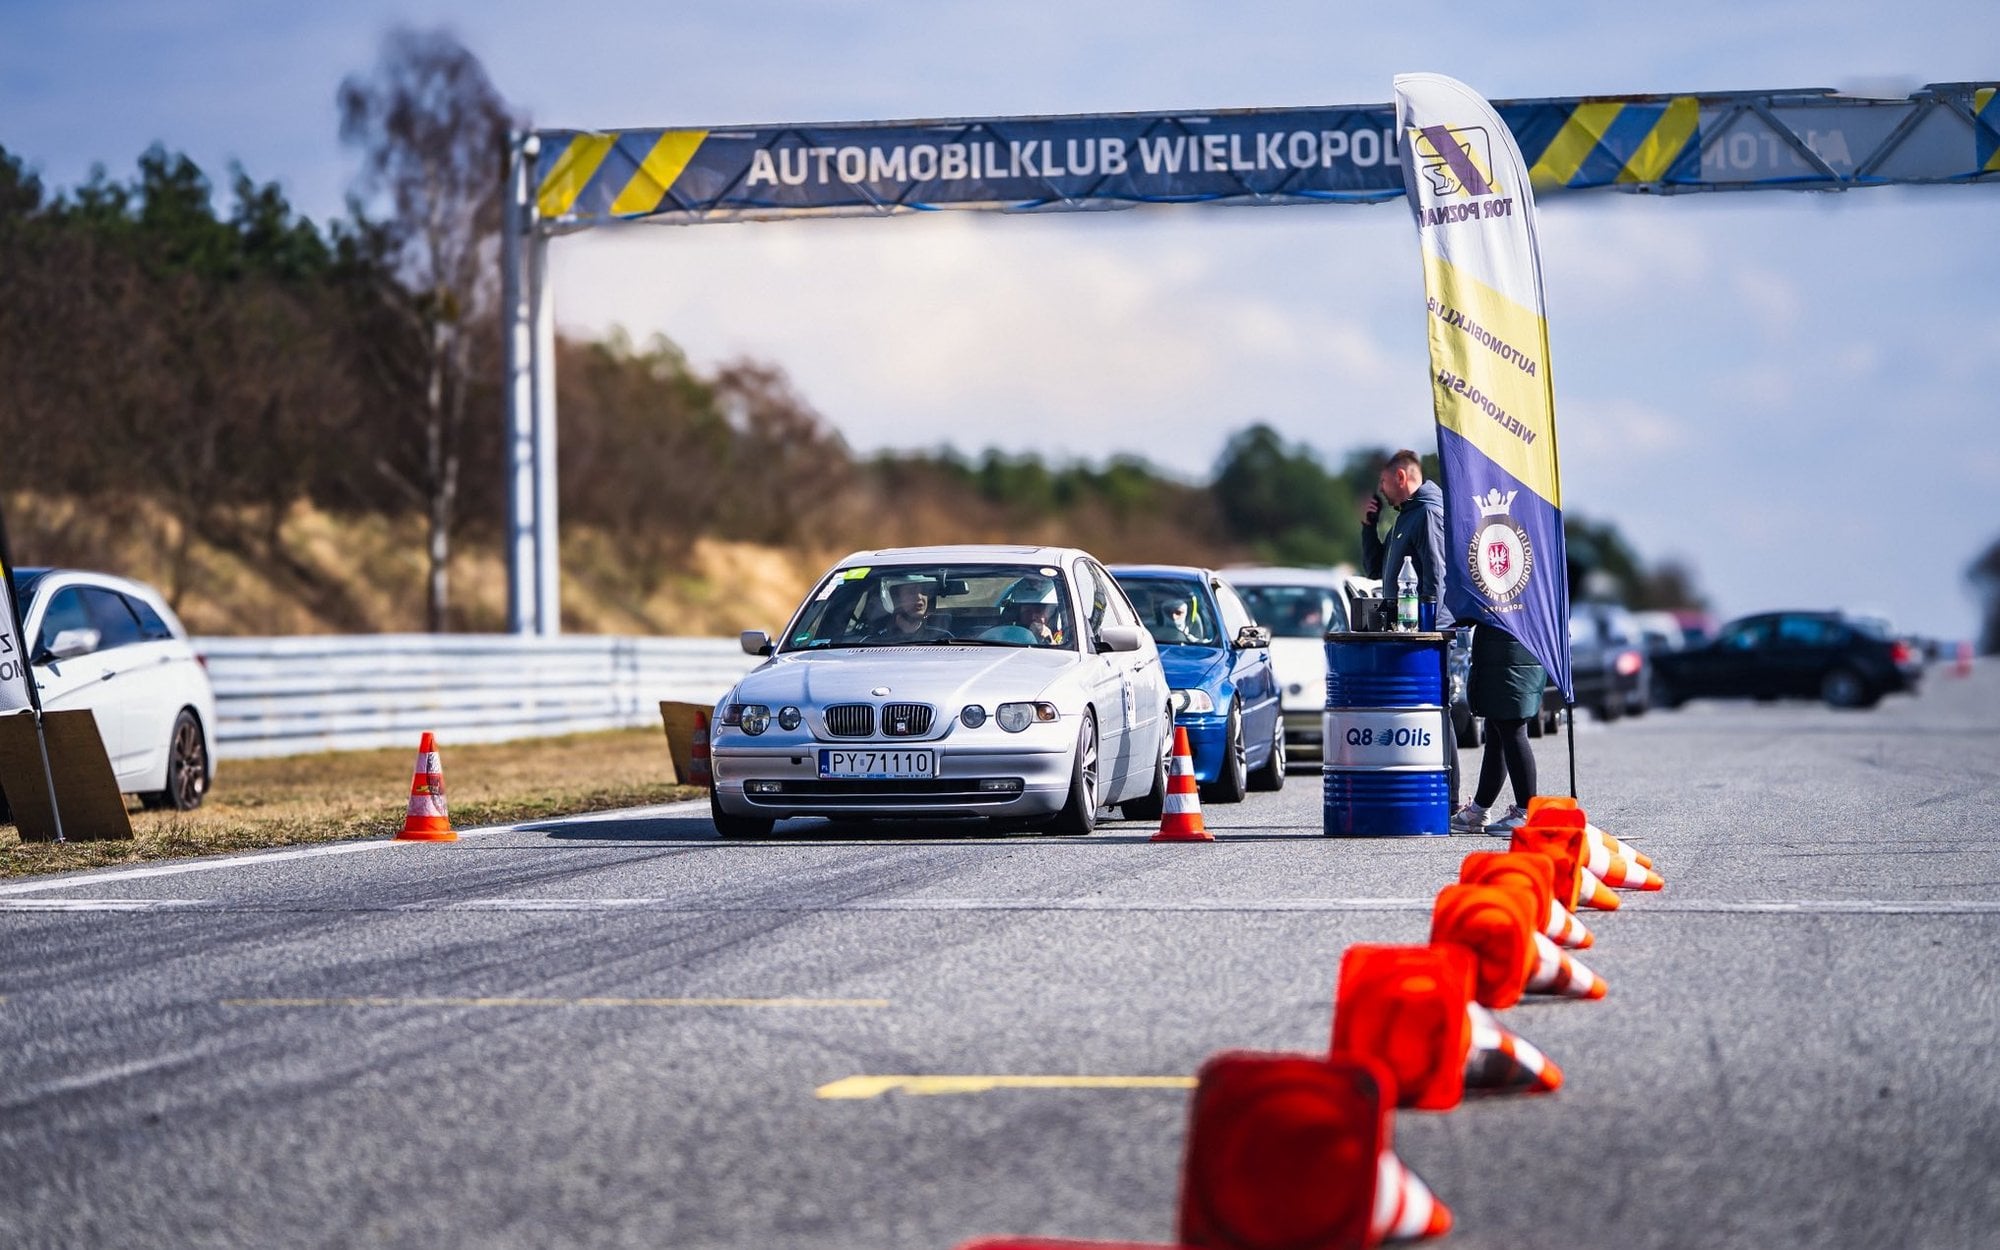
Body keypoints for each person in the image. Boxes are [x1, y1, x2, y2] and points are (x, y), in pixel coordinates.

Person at [1450, 621, 1545, 833]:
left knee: (1511, 728)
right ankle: (1479, 809)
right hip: (1514, 649)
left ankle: (1527, 811)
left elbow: (1472, 607)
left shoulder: (1502, 588)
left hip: (1508, 653)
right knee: (1497, 731)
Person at [1360, 448, 1451, 630]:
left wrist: (1425, 631)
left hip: (1427, 637)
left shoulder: (1428, 514)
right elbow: (1375, 570)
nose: (1380, 489)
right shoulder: (1406, 518)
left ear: (1401, 477)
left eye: (1383, 481)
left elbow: (1437, 580)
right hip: (1408, 632)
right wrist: (1369, 527)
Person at [867, 579, 952, 642]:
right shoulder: (874, 639)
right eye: (911, 591)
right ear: (895, 598)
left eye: (924, 591)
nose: (919, 597)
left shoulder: (944, 637)